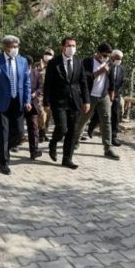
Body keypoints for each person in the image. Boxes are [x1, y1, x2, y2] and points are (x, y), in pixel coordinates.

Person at [0, 35, 32, 175]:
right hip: (1, 103)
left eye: (17, 46)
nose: (15, 49)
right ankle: (4, 163)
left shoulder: (22, 61)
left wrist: (27, 100)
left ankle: (5, 148)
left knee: (19, 133)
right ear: (5, 47)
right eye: (12, 47)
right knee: (3, 134)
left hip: (18, 102)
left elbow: (26, 83)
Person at [43, 36, 90, 169]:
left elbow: (83, 82)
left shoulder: (79, 62)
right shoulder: (54, 63)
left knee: (72, 131)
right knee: (62, 128)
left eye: (73, 45)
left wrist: (86, 100)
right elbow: (48, 84)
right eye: (69, 45)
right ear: (63, 47)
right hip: (58, 101)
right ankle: (53, 142)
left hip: (75, 101)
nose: (71, 48)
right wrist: (46, 102)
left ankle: (67, 159)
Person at [74, 43, 120, 160]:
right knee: (83, 120)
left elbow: (112, 80)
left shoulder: (109, 63)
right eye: (104, 55)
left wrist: (111, 93)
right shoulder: (88, 62)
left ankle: (108, 148)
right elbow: (84, 78)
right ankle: (75, 142)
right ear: (98, 53)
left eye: (108, 56)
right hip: (89, 96)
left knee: (106, 121)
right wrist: (100, 71)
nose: (106, 58)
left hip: (103, 96)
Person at [24, 55, 43, 160]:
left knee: (34, 127)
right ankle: (15, 144)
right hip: (20, 104)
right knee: (17, 128)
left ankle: (34, 150)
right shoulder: (18, 73)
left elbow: (41, 87)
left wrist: (36, 93)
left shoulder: (36, 74)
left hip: (33, 104)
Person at [36, 48, 54, 142]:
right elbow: (35, 77)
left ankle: (44, 132)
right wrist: (41, 68)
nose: (47, 56)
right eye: (46, 53)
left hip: (50, 94)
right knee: (42, 114)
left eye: (50, 54)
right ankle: (41, 133)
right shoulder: (37, 65)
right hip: (40, 93)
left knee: (48, 115)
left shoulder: (54, 65)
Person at [108, 49, 125, 147]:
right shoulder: (107, 66)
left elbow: (121, 83)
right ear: (112, 57)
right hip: (105, 94)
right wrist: (109, 93)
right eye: (117, 58)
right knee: (99, 115)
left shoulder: (121, 69)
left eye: (120, 59)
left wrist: (116, 94)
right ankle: (91, 127)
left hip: (116, 95)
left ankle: (113, 137)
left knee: (115, 115)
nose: (119, 60)